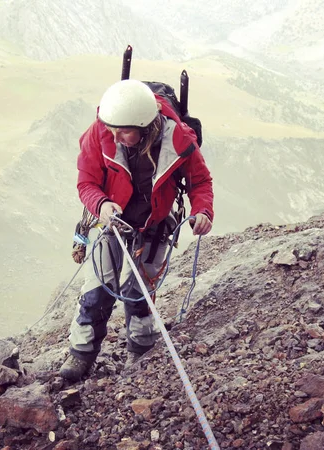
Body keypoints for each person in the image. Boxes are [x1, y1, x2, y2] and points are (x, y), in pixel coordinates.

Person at [59, 79, 214, 381]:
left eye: (124, 130)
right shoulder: (101, 131)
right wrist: (101, 205)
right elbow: (86, 181)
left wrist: (202, 212)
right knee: (96, 292)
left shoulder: (178, 139)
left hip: (153, 227)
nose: (115, 135)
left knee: (138, 293)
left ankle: (140, 353)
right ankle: (81, 355)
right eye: (112, 127)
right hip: (112, 223)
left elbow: (200, 181)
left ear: (145, 125)